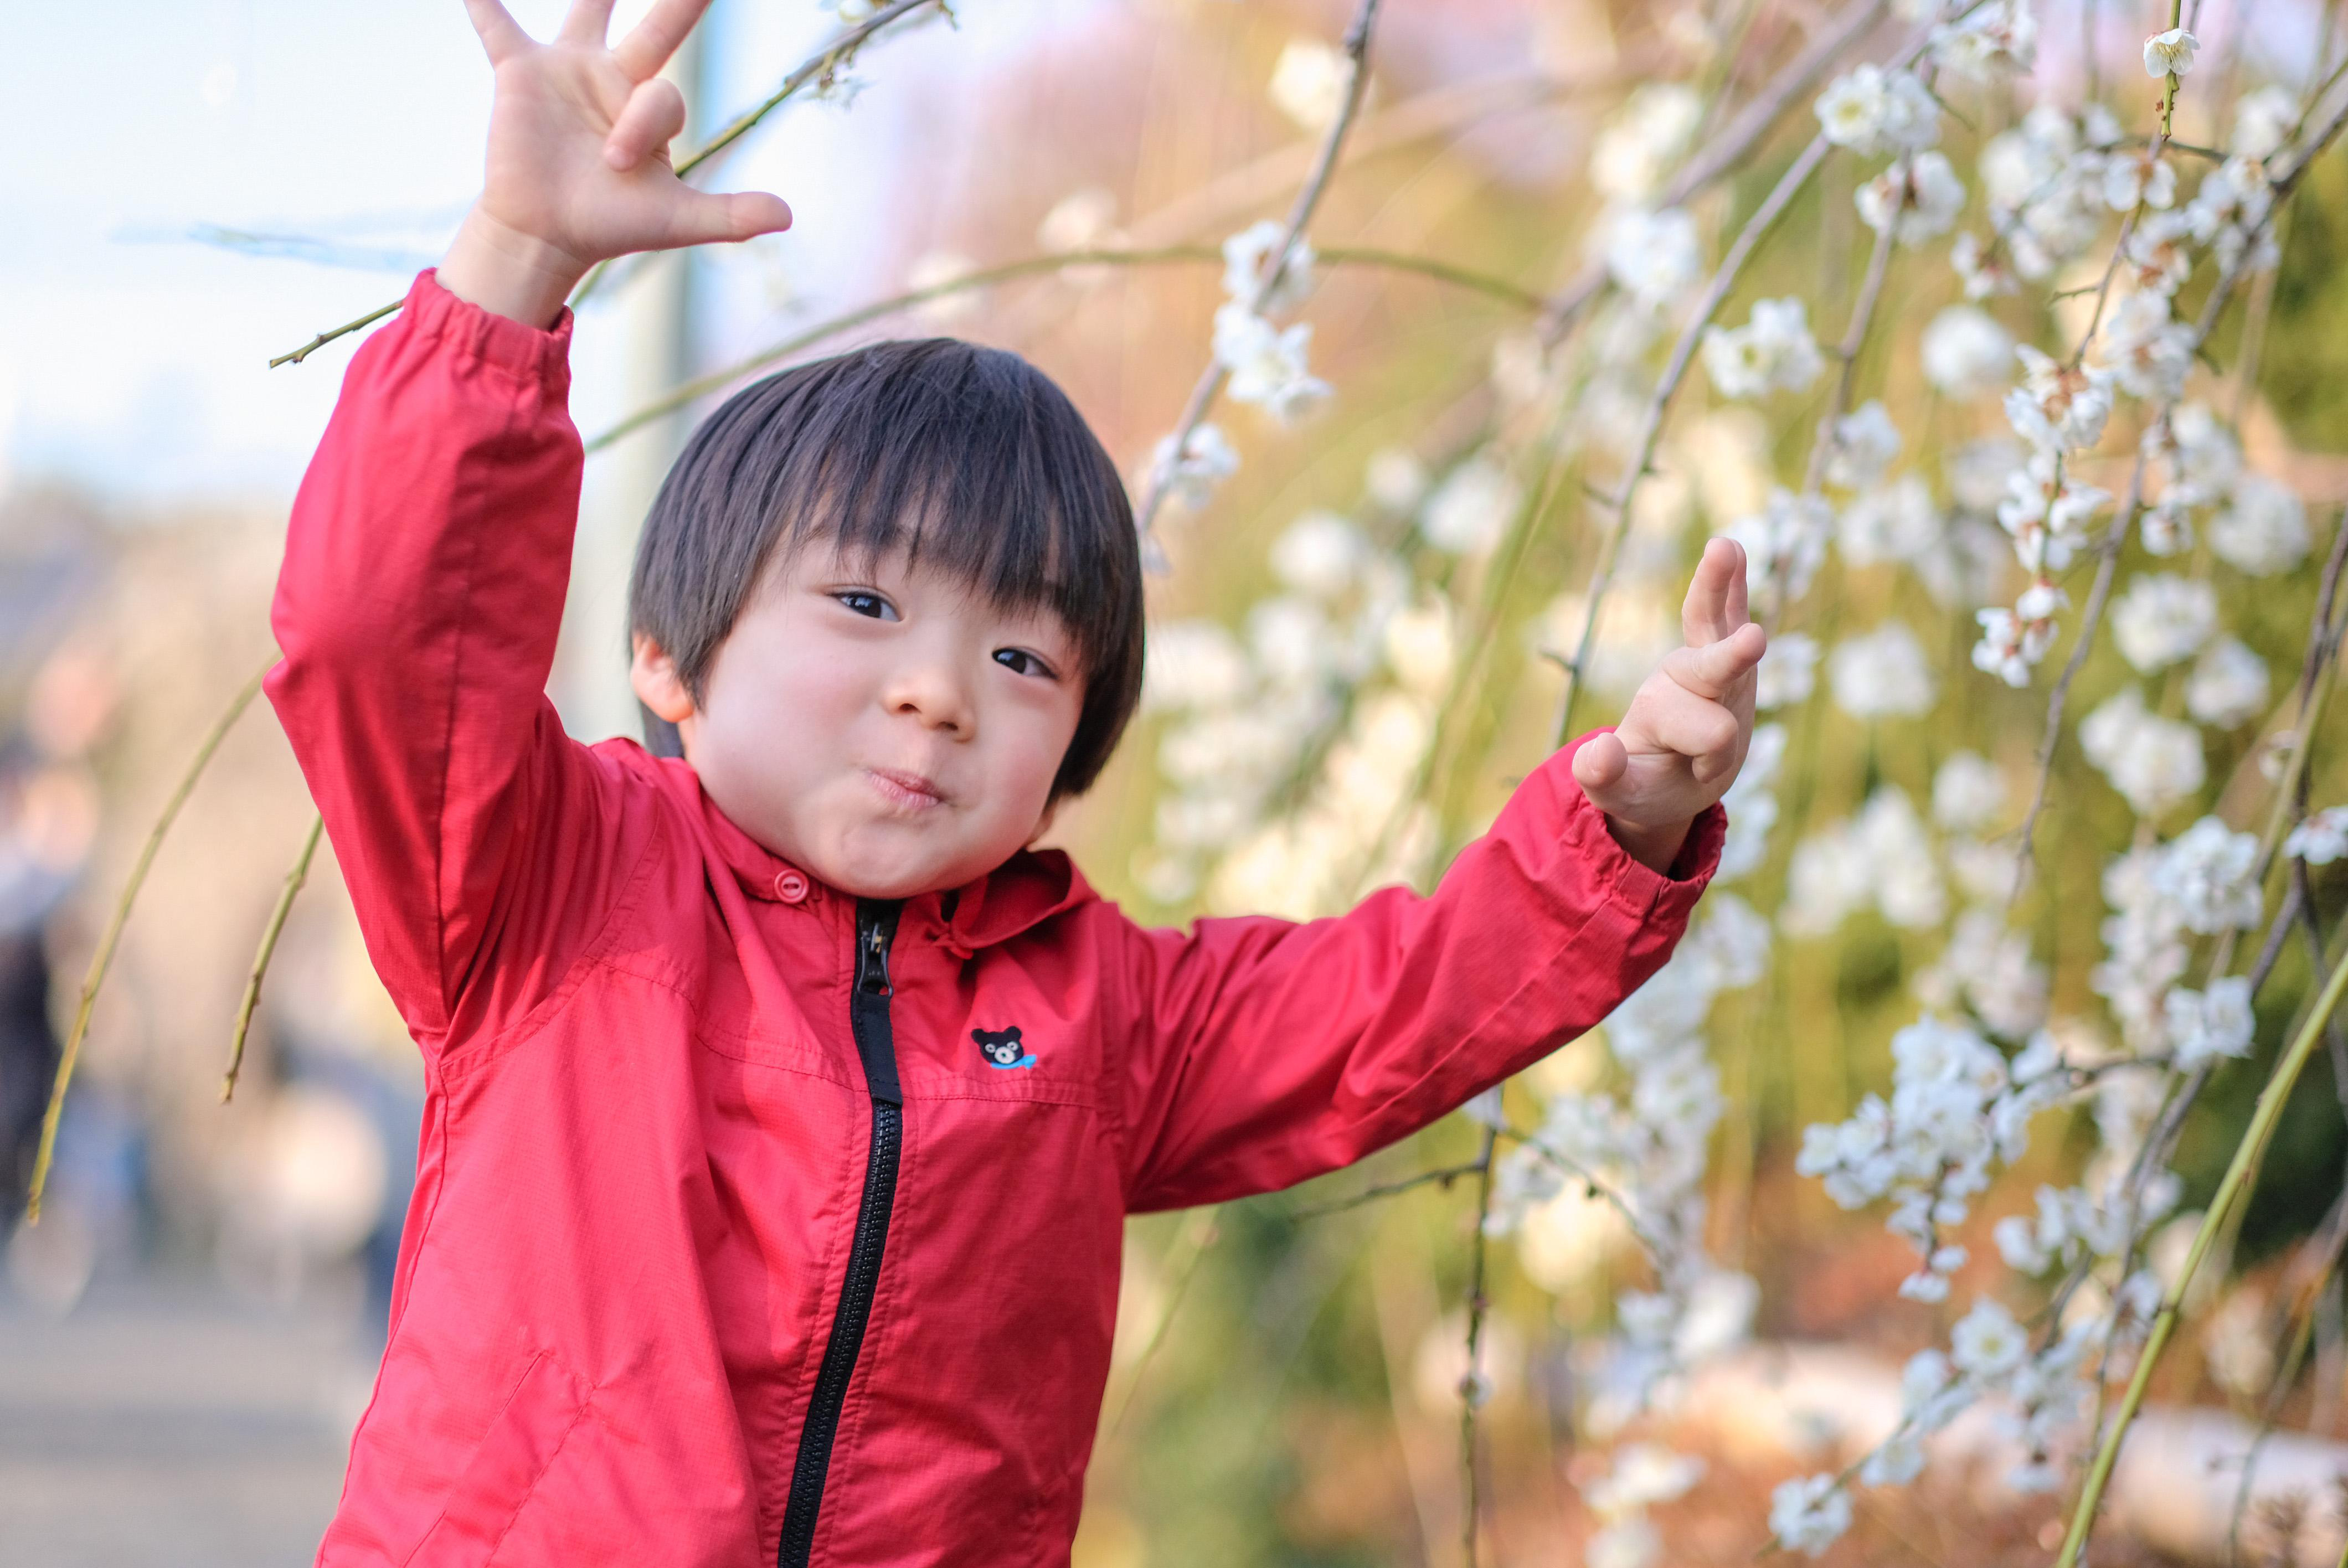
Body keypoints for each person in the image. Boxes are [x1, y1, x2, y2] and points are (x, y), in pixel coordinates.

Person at [265, 2, 1767, 1562]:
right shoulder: (543, 885)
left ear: (1074, 750)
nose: (937, 690)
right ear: (669, 655)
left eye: (1024, 662)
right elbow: (383, 636)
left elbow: (1385, 1009)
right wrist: (512, 265)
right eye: (863, 606)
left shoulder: (1097, 1016)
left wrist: (1628, 820)